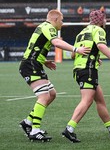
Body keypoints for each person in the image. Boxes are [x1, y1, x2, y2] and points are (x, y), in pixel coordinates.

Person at [19, 9, 90, 142]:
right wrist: (76, 49)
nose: (62, 23)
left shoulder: (43, 27)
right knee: (44, 96)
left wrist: (44, 61)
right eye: (62, 20)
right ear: (55, 19)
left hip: (34, 63)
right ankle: (35, 131)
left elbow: (33, 47)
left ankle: (28, 122)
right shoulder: (48, 27)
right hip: (31, 65)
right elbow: (56, 42)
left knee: (52, 94)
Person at [62, 10, 110, 143]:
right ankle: (69, 128)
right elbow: (101, 45)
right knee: (87, 100)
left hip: (79, 69)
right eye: (105, 19)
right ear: (101, 20)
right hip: (88, 70)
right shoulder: (98, 30)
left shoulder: (82, 32)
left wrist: (94, 58)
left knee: (100, 101)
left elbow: (73, 54)